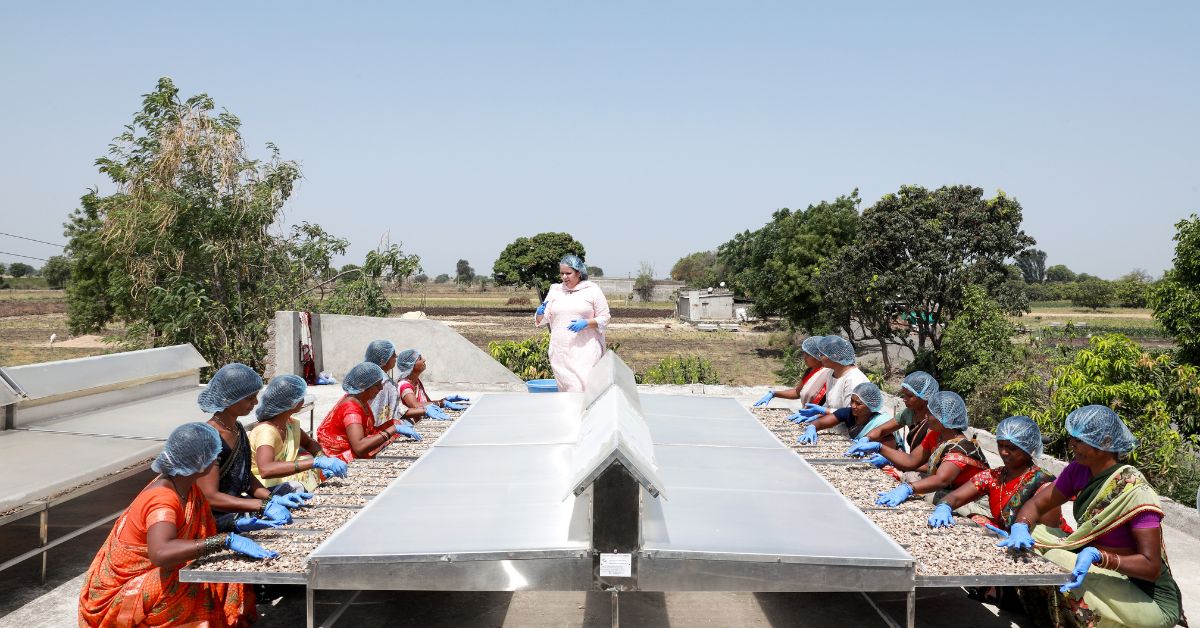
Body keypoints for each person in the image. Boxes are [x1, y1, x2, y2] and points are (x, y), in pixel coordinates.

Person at [996, 406, 1183, 628]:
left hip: (1148, 598)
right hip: (1106, 573)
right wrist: (1020, 526)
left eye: (1079, 440)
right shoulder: (1078, 470)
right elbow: (1037, 504)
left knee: (1056, 559)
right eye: (1072, 439)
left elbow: (1151, 568)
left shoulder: (1136, 493)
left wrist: (1100, 557)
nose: (1071, 445)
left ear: (1104, 442)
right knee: (1033, 535)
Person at [79, 423, 275, 626]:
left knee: (229, 574)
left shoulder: (186, 488)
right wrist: (224, 540)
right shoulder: (163, 499)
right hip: (124, 591)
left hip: (156, 570)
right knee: (186, 582)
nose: (215, 462)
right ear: (199, 462)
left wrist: (239, 524)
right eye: (213, 457)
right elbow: (161, 553)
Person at [196, 364, 306, 533]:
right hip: (212, 516)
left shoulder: (237, 429)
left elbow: (246, 479)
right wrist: (262, 505)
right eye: (249, 398)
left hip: (236, 504)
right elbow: (210, 497)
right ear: (228, 399)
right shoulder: (209, 437)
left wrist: (272, 499)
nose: (255, 402)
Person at [846, 391, 988, 507]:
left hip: (970, 499)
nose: (926, 417)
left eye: (931, 414)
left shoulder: (959, 449)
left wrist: (909, 488)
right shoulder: (935, 434)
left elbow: (941, 480)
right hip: (950, 491)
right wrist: (880, 447)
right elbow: (911, 460)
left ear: (944, 419)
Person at [927, 415, 1060, 531]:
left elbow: (1047, 532)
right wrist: (944, 507)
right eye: (1000, 445)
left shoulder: (1043, 484)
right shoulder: (994, 476)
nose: (1003, 452)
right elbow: (954, 498)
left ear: (1029, 449)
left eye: (1011, 448)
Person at [249, 375, 349, 492]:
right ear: (292, 403)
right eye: (301, 397)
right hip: (265, 487)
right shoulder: (266, 432)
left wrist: (321, 457)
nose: (303, 400)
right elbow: (266, 469)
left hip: (285, 480)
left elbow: (308, 443)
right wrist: (315, 462)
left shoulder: (289, 424)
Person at [533, 253, 612, 392]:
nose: (564, 277)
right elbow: (543, 319)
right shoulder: (555, 290)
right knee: (566, 391)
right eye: (562, 273)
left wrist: (586, 323)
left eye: (568, 273)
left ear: (579, 273)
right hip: (560, 351)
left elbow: (605, 318)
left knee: (582, 389)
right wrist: (539, 314)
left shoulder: (592, 290)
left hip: (585, 351)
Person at [317, 362, 415, 461]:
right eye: (377, 385)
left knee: (395, 424)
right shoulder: (351, 410)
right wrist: (392, 430)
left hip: (354, 447)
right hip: (338, 457)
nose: (381, 388)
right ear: (364, 387)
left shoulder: (361, 401)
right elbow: (359, 447)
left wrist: (394, 426)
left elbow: (369, 430)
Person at [787, 335, 868, 423]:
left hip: (850, 429)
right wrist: (816, 415)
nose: (820, 358)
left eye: (822, 355)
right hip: (833, 426)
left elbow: (851, 412)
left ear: (834, 356)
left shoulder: (853, 379)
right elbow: (829, 405)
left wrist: (822, 411)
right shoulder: (831, 373)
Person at [364, 341, 432, 433]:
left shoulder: (383, 379)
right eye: (393, 355)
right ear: (383, 360)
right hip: (378, 431)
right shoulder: (382, 383)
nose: (396, 357)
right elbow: (381, 416)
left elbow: (396, 409)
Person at [864, 370, 939, 452]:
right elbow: (882, 430)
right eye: (904, 395)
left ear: (924, 397)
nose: (904, 399)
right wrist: (866, 439)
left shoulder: (935, 421)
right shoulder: (909, 413)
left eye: (909, 396)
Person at [795, 382, 892, 445]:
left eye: (858, 403)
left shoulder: (881, 422)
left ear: (870, 406)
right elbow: (819, 423)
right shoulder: (847, 413)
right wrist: (811, 428)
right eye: (852, 401)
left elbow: (890, 447)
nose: (853, 406)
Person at [753, 336, 831, 408]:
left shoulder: (828, 373)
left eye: (808, 355)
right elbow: (797, 393)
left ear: (818, 357)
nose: (804, 357)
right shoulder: (809, 371)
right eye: (804, 353)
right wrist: (774, 393)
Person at [394, 349, 468, 422]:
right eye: (420, 359)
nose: (424, 360)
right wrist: (442, 403)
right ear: (411, 365)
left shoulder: (416, 381)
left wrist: (445, 400)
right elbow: (415, 405)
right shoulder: (404, 385)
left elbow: (427, 402)